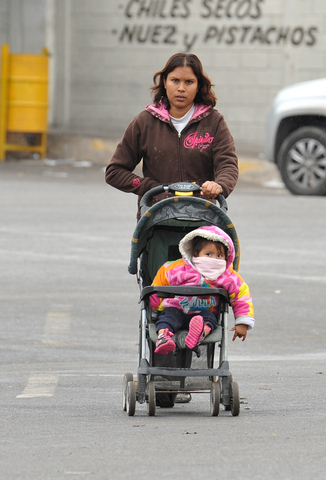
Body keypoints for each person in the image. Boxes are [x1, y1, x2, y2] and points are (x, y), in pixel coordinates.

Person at [105, 52, 239, 214]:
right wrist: (152, 188)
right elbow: (115, 172)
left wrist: (220, 185)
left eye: (189, 82)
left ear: (198, 86)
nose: (181, 88)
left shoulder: (214, 122)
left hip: (202, 215)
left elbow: (228, 165)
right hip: (156, 216)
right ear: (165, 82)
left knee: (212, 241)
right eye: (175, 80)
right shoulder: (144, 122)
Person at [150, 225, 254, 354]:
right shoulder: (177, 269)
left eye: (219, 255)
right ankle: (164, 337)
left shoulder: (227, 276)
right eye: (208, 254)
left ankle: (199, 334)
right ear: (195, 254)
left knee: (210, 319)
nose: (213, 260)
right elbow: (158, 285)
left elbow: (241, 296)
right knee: (168, 316)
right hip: (176, 309)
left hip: (203, 314)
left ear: (227, 257)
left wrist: (242, 322)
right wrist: (154, 309)